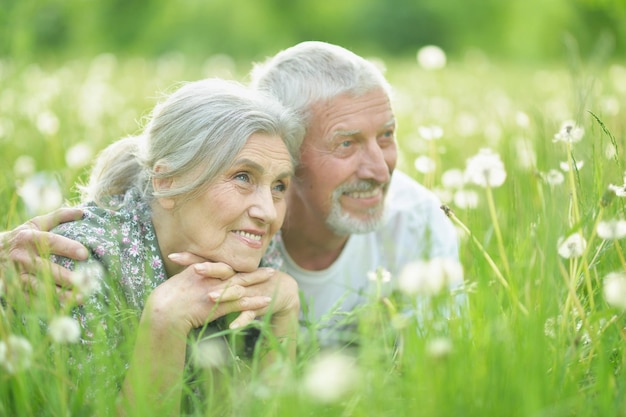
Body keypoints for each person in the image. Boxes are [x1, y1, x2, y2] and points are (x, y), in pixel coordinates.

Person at [2, 41, 460, 346]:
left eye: (386, 135)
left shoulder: (417, 220)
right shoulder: (224, 233)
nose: (381, 169)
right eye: (346, 143)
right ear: (291, 156)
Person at [5, 78, 304, 416]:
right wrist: (166, 322)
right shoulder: (76, 265)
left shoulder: (255, 244)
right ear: (167, 181)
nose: (267, 211)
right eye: (242, 177)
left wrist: (285, 314)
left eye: (279, 185)